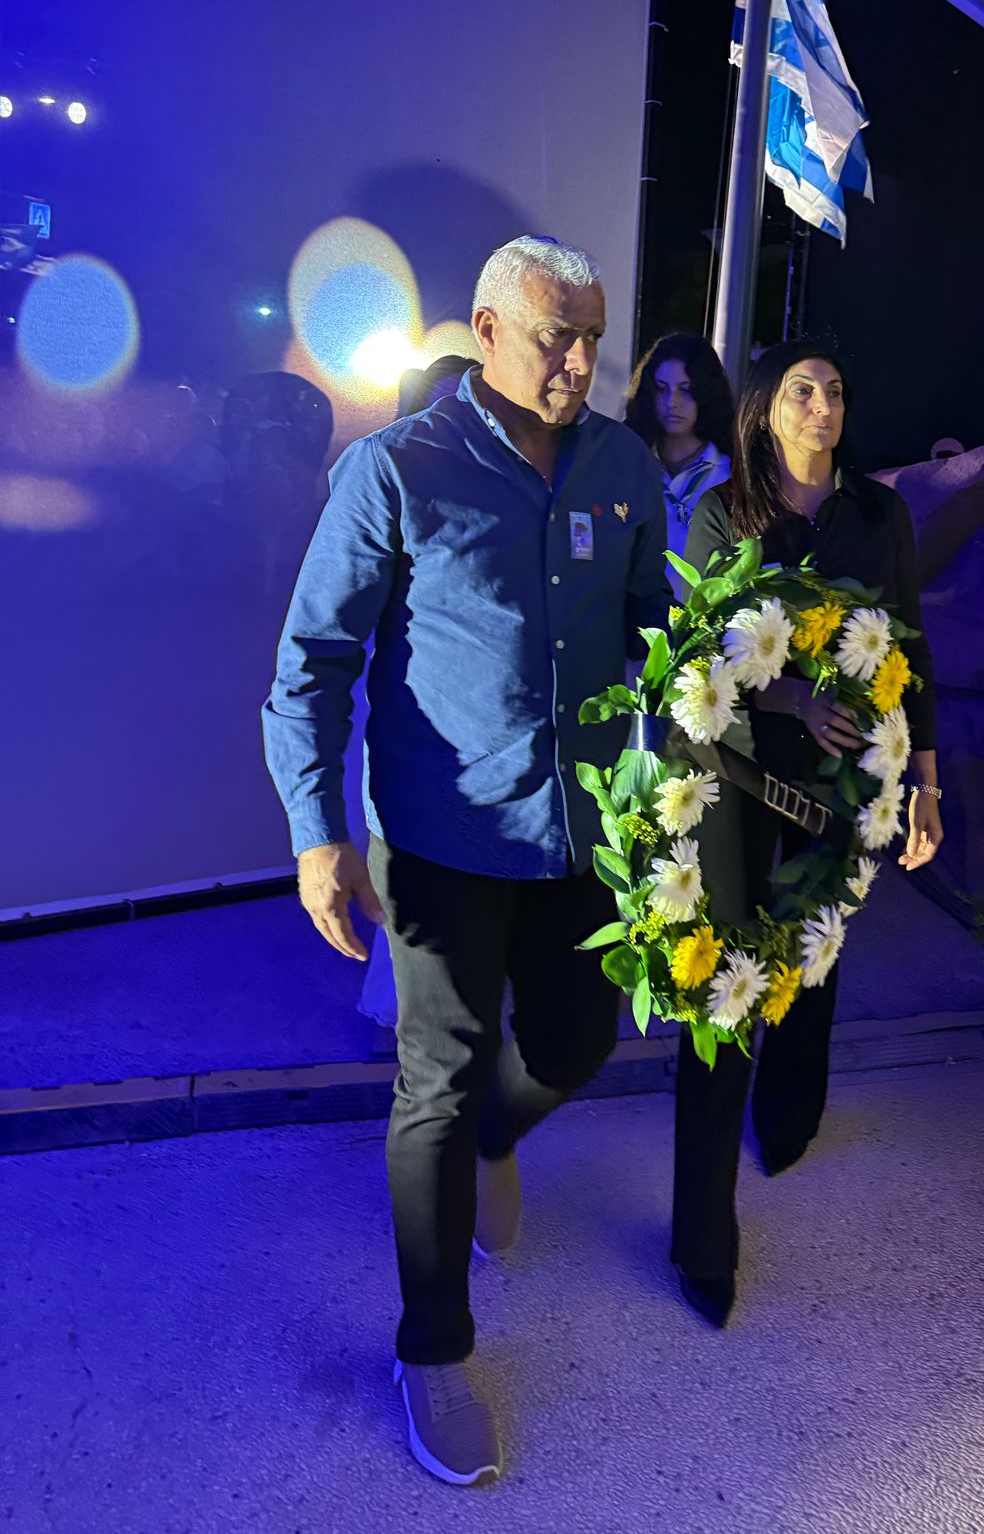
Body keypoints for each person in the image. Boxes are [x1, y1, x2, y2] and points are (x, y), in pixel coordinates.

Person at [262, 235, 669, 1487]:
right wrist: (318, 834)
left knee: (576, 1044)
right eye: (558, 336)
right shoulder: (397, 470)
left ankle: (501, 1133)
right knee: (433, 1081)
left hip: (581, 831)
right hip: (440, 839)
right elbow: (311, 665)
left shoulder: (623, 464)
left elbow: (658, 631)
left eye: (593, 335)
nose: (582, 360)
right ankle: (431, 1348)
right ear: (488, 330)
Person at [672, 339, 943, 1327]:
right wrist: (789, 695)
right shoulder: (725, 512)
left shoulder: (878, 513)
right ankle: (702, 1232)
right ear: (765, 407)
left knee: (815, 953)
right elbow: (701, 651)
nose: (822, 406)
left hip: (847, 778)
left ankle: (789, 1117)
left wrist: (927, 780)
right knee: (730, 978)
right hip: (743, 774)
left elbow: (909, 643)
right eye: (801, 390)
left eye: (834, 390)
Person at [357, 353, 480, 1037]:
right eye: (440, 402)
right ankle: (401, 1006)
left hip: (473, 715)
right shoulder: (385, 481)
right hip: (402, 704)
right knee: (406, 856)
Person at [623, 334, 732, 598]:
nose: (672, 402)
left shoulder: (732, 470)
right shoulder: (628, 464)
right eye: (662, 389)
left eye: (686, 390)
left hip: (708, 618)